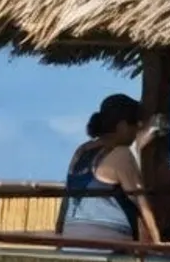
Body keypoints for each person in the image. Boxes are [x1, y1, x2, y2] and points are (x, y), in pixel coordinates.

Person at [59, 93, 162, 243]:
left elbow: (67, 195)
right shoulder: (122, 153)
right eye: (135, 124)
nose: (137, 130)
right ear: (122, 126)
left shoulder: (81, 151)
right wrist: (158, 242)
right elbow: (141, 202)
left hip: (71, 233)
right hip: (107, 236)